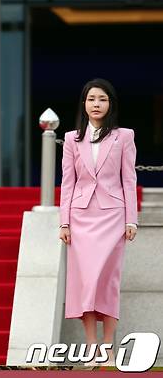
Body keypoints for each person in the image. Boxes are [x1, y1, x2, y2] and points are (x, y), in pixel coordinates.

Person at [59, 78, 137, 366]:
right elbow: (68, 182)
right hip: (80, 218)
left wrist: (132, 220)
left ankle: (108, 347)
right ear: (84, 104)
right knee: (85, 284)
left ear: (110, 104)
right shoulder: (71, 139)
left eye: (102, 99)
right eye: (91, 99)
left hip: (113, 217)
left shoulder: (124, 136)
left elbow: (129, 179)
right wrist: (64, 222)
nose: (96, 104)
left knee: (107, 281)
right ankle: (92, 347)